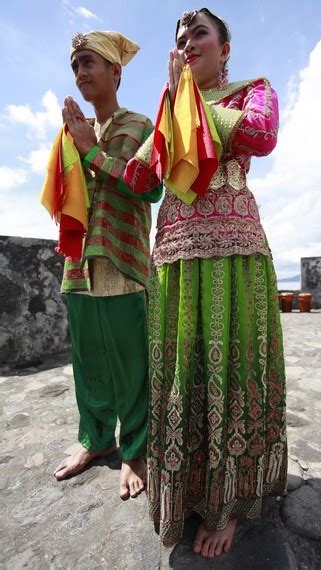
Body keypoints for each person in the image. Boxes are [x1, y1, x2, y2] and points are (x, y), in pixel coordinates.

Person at [124, 8, 287, 557]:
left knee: (231, 370)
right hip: (174, 253)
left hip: (234, 252)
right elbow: (139, 177)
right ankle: (189, 493)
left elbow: (262, 137)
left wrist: (191, 104)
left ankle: (230, 505)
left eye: (199, 34)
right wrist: (169, 107)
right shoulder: (173, 107)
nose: (188, 43)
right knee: (182, 374)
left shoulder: (253, 90)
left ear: (226, 48)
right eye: (181, 37)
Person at [52, 30, 162, 501]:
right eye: (75, 65)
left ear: (116, 71)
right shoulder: (71, 132)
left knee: (130, 362)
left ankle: (135, 450)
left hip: (122, 257)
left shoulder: (140, 125)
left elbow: (149, 186)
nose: (80, 73)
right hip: (78, 261)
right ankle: (95, 441)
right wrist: (72, 146)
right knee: (90, 361)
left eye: (89, 63)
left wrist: (89, 150)